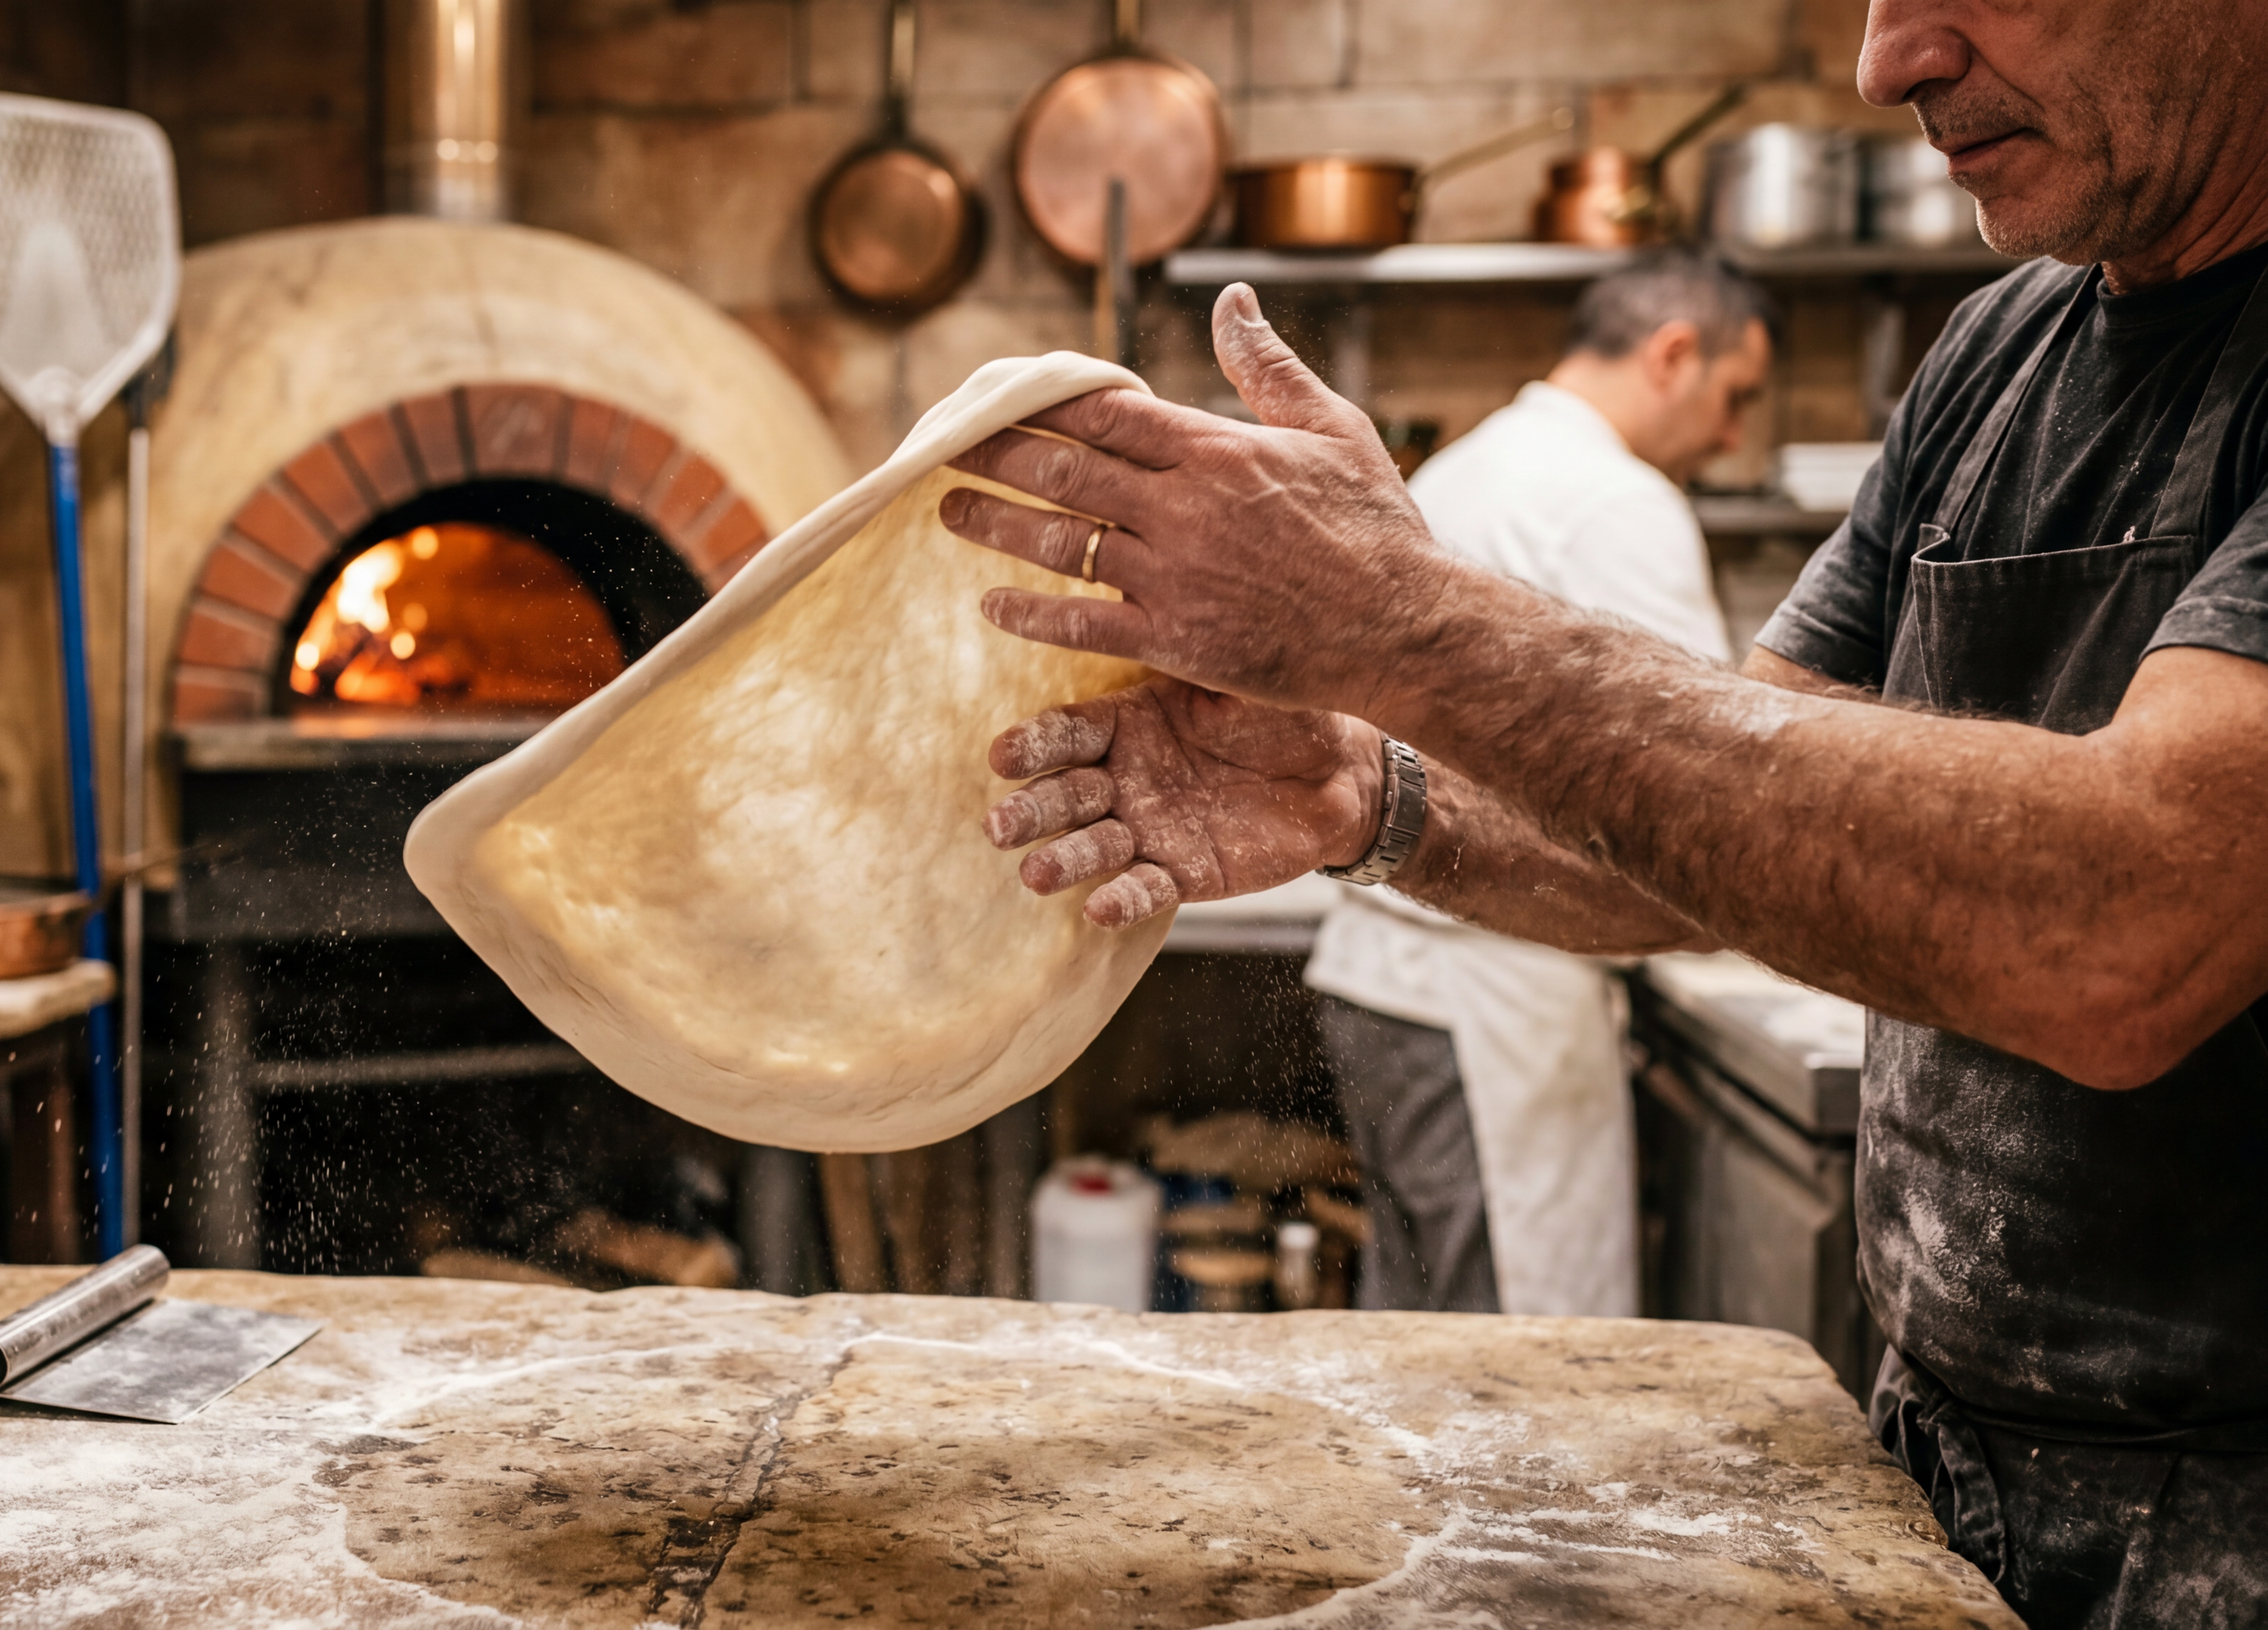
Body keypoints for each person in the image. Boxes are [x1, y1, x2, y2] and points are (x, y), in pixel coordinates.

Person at [938, 0, 2268, 1620]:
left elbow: (2129, 924)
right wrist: (1370, 792)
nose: (1885, 61)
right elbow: (1739, 829)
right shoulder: (1998, 361)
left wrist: (1403, 626)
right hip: (1952, 1462)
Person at [1305, 255, 1770, 1321]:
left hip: (1387, 983)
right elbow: (1705, 781)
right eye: (1734, 397)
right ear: (1672, 354)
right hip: (1488, 1005)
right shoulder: (1615, 502)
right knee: (1513, 1382)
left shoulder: (1466, 468)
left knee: (1417, 1358)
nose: (1731, 437)